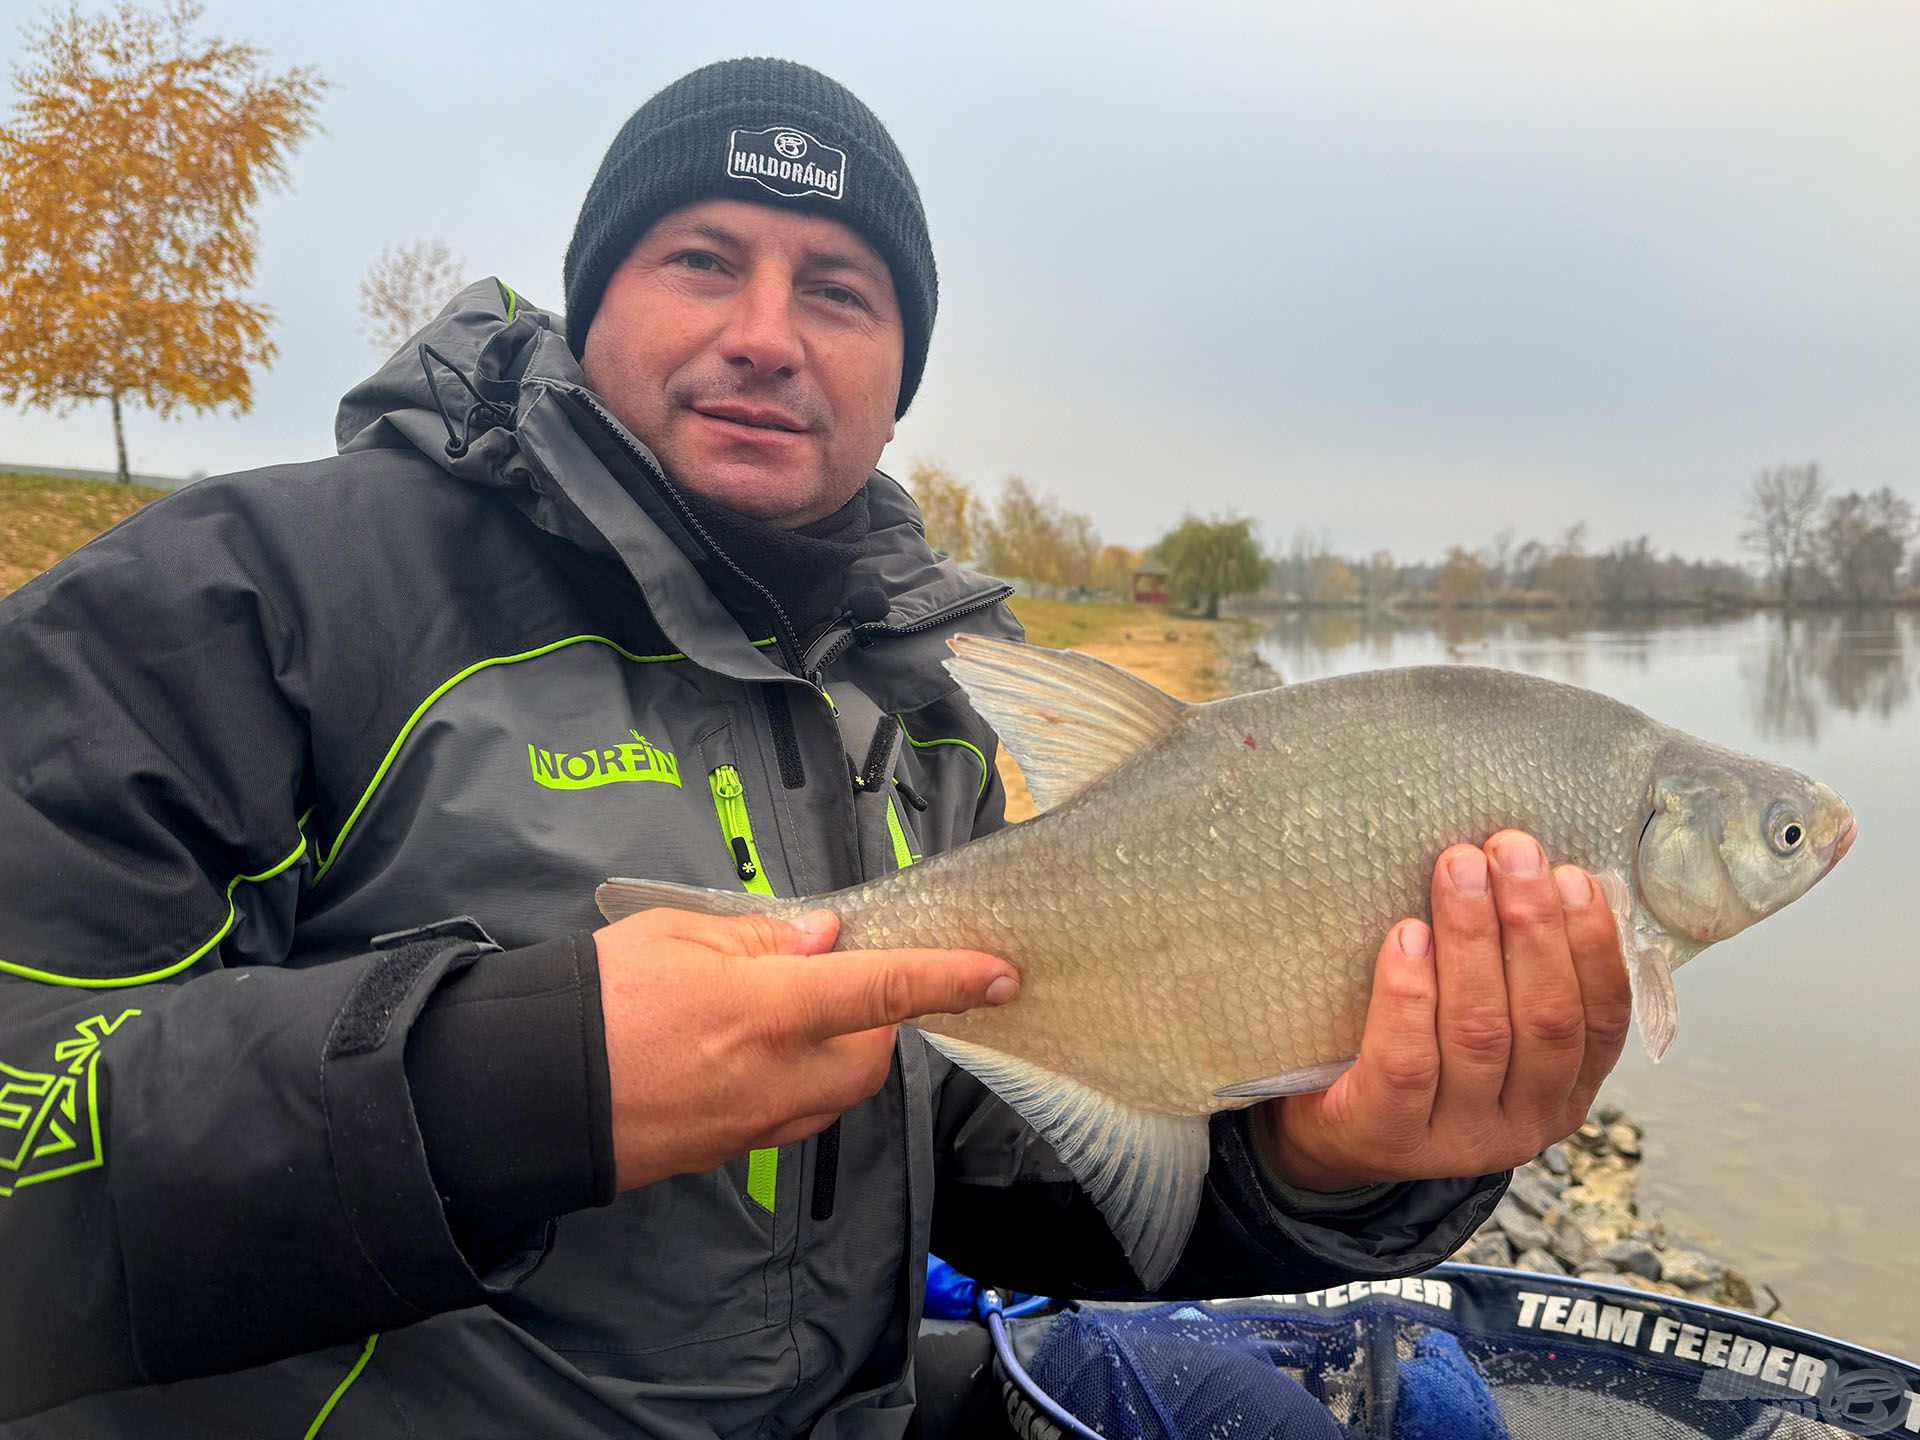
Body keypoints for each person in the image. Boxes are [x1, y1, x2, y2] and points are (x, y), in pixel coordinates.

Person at [0, 58, 1631, 1437]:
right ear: (594, 307)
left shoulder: (930, 705)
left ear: (897, 381)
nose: (770, 333)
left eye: (840, 292)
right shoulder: (241, 597)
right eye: (704, 260)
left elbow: (994, 1168)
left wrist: (1315, 1162)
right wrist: (502, 1085)